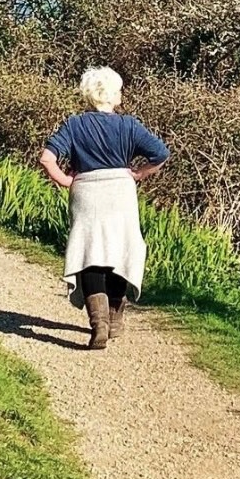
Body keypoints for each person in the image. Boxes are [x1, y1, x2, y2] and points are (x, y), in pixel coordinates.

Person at [39, 67, 169, 350]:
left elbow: (47, 159)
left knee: (90, 254)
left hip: (87, 193)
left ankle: (98, 323)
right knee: (120, 252)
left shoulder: (74, 124)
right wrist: (139, 174)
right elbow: (160, 153)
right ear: (114, 95)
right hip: (120, 192)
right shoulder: (129, 125)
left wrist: (67, 181)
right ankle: (115, 317)